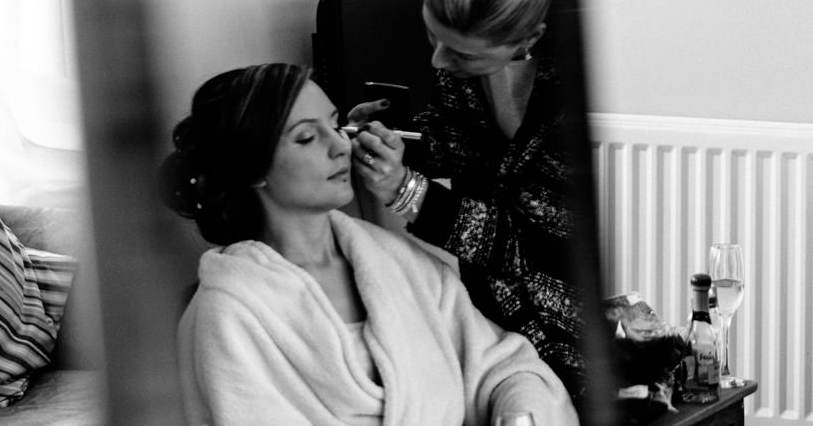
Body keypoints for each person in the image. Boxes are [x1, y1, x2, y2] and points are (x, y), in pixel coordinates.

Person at [160, 62, 577, 426]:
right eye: (307, 138)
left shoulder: (398, 262)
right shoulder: (230, 313)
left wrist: (519, 413)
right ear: (251, 169)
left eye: (336, 123)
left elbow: (503, 367)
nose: (341, 144)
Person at [347, 0, 587, 399]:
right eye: (432, 37)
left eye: (459, 52)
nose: (439, 61)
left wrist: (406, 191)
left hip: (565, 325)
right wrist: (390, 137)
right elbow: (453, 139)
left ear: (529, 38)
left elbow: (523, 245)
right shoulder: (462, 68)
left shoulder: (576, 99)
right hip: (486, 306)